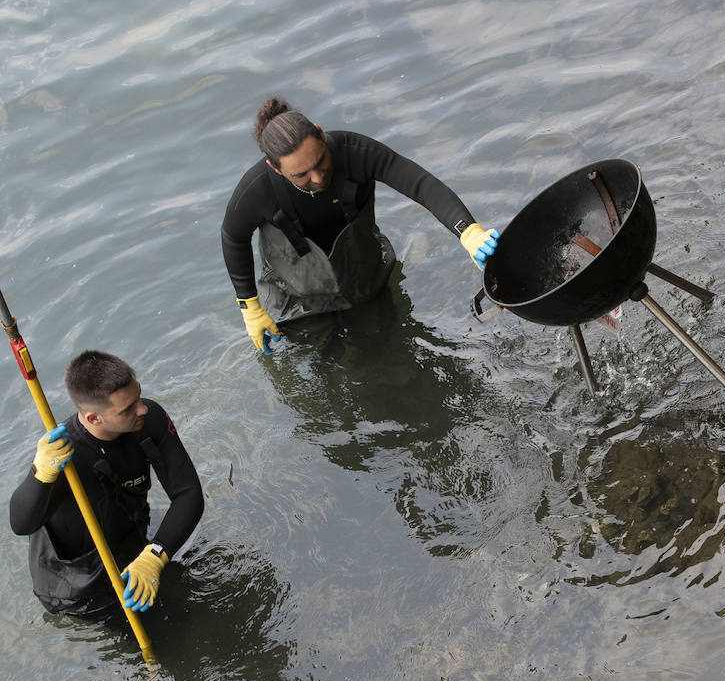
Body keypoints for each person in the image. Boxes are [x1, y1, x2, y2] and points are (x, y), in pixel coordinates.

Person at [221, 96, 501, 350]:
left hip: (364, 276)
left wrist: (468, 231)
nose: (318, 178)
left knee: (389, 350)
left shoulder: (353, 151)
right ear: (275, 168)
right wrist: (250, 307)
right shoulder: (256, 189)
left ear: (320, 133)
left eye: (321, 161)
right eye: (301, 175)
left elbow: (420, 184)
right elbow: (233, 237)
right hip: (296, 297)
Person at [9, 350, 204, 618]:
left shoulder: (149, 419)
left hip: (129, 542)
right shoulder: (66, 457)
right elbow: (21, 524)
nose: (143, 408)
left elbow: (189, 493)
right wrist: (40, 473)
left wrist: (155, 555)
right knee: (173, 630)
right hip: (81, 585)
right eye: (128, 409)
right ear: (93, 418)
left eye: (138, 395)